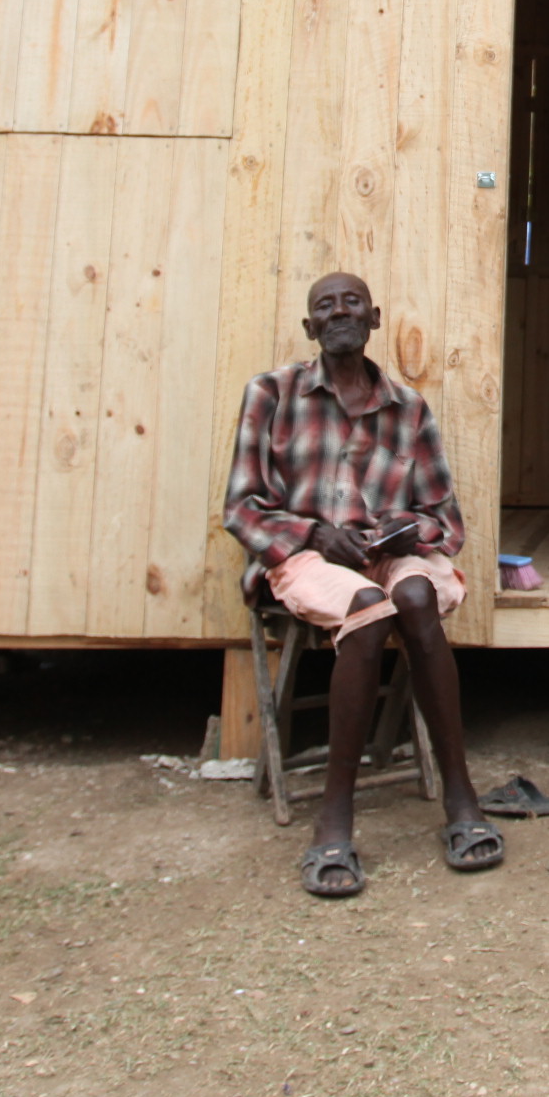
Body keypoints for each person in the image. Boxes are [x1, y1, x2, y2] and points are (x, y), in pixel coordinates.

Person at [223, 272, 500, 898]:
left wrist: (406, 529)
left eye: (352, 303)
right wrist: (316, 535)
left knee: (415, 593)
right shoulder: (270, 394)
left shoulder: (409, 408)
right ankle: (334, 820)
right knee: (371, 606)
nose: (339, 312)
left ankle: (461, 799)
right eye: (325, 306)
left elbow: (445, 521)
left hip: (385, 555)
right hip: (305, 556)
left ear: (374, 318)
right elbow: (242, 508)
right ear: (309, 327)